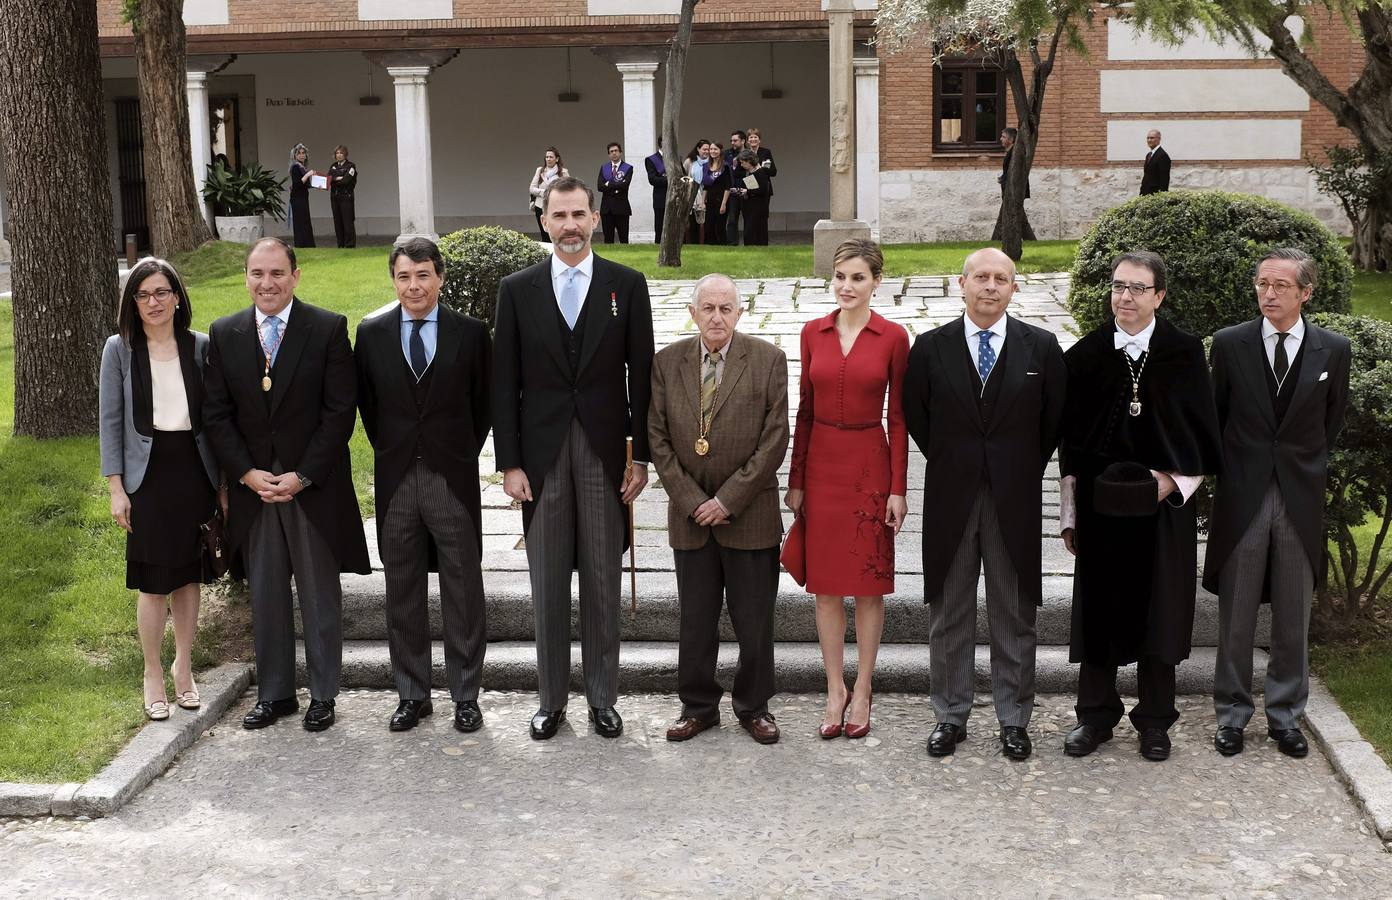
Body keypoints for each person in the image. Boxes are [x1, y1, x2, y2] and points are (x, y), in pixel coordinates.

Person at [492, 176, 655, 741]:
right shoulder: (516, 290)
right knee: (549, 584)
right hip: (540, 459)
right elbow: (503, 383)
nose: (569, 225)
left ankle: (603, 699)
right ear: (543, 221)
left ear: (594, 217)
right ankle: (551, 701)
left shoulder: (626, 285)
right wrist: (509, 462)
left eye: (578, 214)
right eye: (558, 215)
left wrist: (643, 458)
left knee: (604, 579)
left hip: (606, 454)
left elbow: (644, 378)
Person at [902, 248, 1066, 762]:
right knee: (949, 610)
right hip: (951, 496)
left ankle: (1013, 717)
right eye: (981, 277)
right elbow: (918, 417)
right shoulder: (930, 348)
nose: (990, 286)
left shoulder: (1040, 347)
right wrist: (960, 461)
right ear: (962, 283)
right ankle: (950, 714)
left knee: (1013, 611)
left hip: (1013, 499)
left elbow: (1052, 424)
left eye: (1001, 279)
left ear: (1014, 288)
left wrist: (1013, 467)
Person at [203, 237, 371, 732]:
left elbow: (340, 414)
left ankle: (323, 694)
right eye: (257, 273)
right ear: (246, 277)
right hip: (255, 490)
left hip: (311, 488)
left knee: (320, 595)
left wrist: (301, 476)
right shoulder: (225, 332)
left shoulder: (327, 328)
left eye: (277, 273)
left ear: (296, 276)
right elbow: (216, 415)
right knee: (267, 594)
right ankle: (276, 694)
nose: (267, 283)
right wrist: (246, 475)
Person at [1059, 250, 1221, 761]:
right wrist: (1069, 515)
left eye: (1137, 288)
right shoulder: (1085, 356)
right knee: (1100, 611)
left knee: (1161, 612)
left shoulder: (1183, 352)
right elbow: (1070, 444)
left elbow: (1202, 432)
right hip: (1101, 512)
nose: (1124, 297)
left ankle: (1154, 722)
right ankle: (1096, 718)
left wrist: (1174, 483)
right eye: (1118, 287)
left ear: (1159, 295)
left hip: (1162, 510)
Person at [1207, 248, 1350, 758]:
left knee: (1293, 615)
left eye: (1281, 286)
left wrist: (1300, 466)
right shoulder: (1229, 345)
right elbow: (1215, 418)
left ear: (1305, 293)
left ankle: (1286, 717)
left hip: (1299, 497)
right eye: (1262, 284)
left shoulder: (1333, 350)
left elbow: (1329, 423)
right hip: (1243, 495)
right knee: (1237, 615)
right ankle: (1231, 715)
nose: (1269, 293)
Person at [355, 238, 493, 734]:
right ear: (393, 280)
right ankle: (412, 693)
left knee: (463, 588)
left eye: (423, 276)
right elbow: (369, 408)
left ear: (440, 277)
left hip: (450, 478)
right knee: (402, 591)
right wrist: (397, 450)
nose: (413, 286)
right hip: (396, 482)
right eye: (403, 277)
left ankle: (465, 695)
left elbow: (484, 406)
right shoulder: (370, 334)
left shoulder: (472, 333)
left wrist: (453, 451)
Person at [650, 273, 789, 745]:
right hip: (691, 519)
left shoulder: (768, 360)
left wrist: (728, 499)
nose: (716, 317)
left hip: (749, 516)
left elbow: (775, 439)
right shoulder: (667, 363)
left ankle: (754, 707)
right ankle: (698, 707)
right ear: (692, 313)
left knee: (755, 621)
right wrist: (694, 502)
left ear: (739, 313)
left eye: (725, 308)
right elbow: (658, 439)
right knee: (695, 620)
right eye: (707, 308)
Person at [786, 239, 909, 740]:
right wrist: (795, 479)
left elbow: (898, 419)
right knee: (827, 588)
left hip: (868, 467)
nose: (846, 286)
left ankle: (863, 689)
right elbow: (805, 411)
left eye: (858, 277)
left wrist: (898, 489)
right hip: (821, 468)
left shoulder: (894, 337)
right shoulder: (811, 332)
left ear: (876, 281)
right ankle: (834, 688)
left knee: (868, 587)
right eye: (840, 276)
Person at [100, 257, 223, 721]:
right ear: (133, 302)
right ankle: (152, 672)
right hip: (145, 478)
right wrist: (117, 487)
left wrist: (224, 486)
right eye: (144, 294)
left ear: (177, 297)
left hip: (194, 471)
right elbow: (110, 421)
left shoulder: (201, 347)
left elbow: (214, 420)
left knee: (189, 576)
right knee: (153, 583)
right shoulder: (119, 349)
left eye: (161, 292)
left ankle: (184, 668)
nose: (153, 302)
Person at [597, 141, 633, 244]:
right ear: (608, 154)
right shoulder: (604, 168)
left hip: (621, 207)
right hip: (606, 208)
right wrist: (615, 186)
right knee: (608, 240)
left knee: (623, 239)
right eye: (611, 151)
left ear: (620, 152)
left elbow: (624, 186)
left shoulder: (628, 168)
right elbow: (600, 187)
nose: (614, 153)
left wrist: (608, 184)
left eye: (616, 151)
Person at [733, 150, 771, 246]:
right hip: (749, 208)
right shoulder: (748, 173)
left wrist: (747, 191)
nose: (741, 165)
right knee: (749, 231)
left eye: (742, 162)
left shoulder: (761, 172)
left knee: (757, 232)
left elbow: (762, 190)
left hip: (758, 208)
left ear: (749, 161)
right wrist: (739, 191)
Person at [529, 147, 567, 240]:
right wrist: (544, 192)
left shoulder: (563, 172)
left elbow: (567, 190)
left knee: (555, 233)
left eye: (551, 157)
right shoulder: (540, 170)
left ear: (557, 159)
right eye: (547, 157)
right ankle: (547, 254)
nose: (548, 159)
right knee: (544, 234)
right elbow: (532, 189)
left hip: (556, 206)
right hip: (540, 206)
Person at [701, 142, 732, 246]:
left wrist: (724, 204)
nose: (712, 151)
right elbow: (706, 186)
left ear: (720, 151)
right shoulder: (706, 166)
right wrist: (702, 202)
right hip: (710, 200)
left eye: (715, 149)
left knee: (720, 227)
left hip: (721, 200)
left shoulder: (725, 166)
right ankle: (710, 248)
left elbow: (727, 187)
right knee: (708, 226)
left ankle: (722, 247)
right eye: (711, 149)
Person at [327, 145, 357, 249]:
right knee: (337, 221)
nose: (339, 155)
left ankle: (350, 245)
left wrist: (335, 179)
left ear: (345, 154)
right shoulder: (333, 166)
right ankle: (340, 244)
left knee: (347, 221)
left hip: (346, 197)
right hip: (335, 197)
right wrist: (337, 178)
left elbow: (346, 180)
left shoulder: (351, 166)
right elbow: (328, 179)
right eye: (337, 153)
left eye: (341, 153)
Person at [288, 143, 316, 248]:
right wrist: (308, 174)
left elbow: (305, 185)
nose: (301, 155)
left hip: (303, 197)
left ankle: (307, 244)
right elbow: (298, 184)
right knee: (300, 222)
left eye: (303, 153)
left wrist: (317, 183)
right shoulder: (295, 167)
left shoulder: (302, 167)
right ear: (294, 155)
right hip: (297, 199)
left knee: (305, 221)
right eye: (299, 153)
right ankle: (301, 244)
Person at [683, 140, 711, 245]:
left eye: (708, 149)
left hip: (707, 193)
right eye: (704, 149)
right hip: (692, 195)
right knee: (690, 222)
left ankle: (703, 243)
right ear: (698, 149)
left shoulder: (712, 161)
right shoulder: (689, 161)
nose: (706, 151)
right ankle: (690, 243)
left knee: (704, 222)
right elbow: (683, 177)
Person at [725, 131, 746, 245]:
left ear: (743, 141)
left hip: (747, 191)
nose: (732, 142)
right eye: (731, 140)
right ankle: (732, 243)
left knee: (748, 219)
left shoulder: (749, 154)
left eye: (735, 140)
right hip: (732, 191)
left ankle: (750, 243)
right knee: (732, 219)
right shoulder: (727, 154)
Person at [645, 138, 667, 246]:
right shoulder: (652, 159)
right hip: (660, 197)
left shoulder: (676, 157)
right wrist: (670, 180)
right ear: (661, 144)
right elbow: (652, 179)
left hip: (674, 197)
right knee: (660, 225)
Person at [998, 128, 1030, 199]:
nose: (1000, 139)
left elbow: (1016, 172)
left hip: (1014, 191)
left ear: (1011, 139)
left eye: (1003, 137)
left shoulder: (1015, 153)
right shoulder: (1011, 152)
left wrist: (1004, 179)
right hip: (1011, 190)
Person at [1140, 129, 1170, 195]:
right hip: (1145, 194)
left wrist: (1162, 197)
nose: (1149, 140)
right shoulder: (1148, 155)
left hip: (1155, 196)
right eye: (1148, 138)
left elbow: (1164, 180)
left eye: (1152, 138)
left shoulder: (1163, 156)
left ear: (1159, 139)